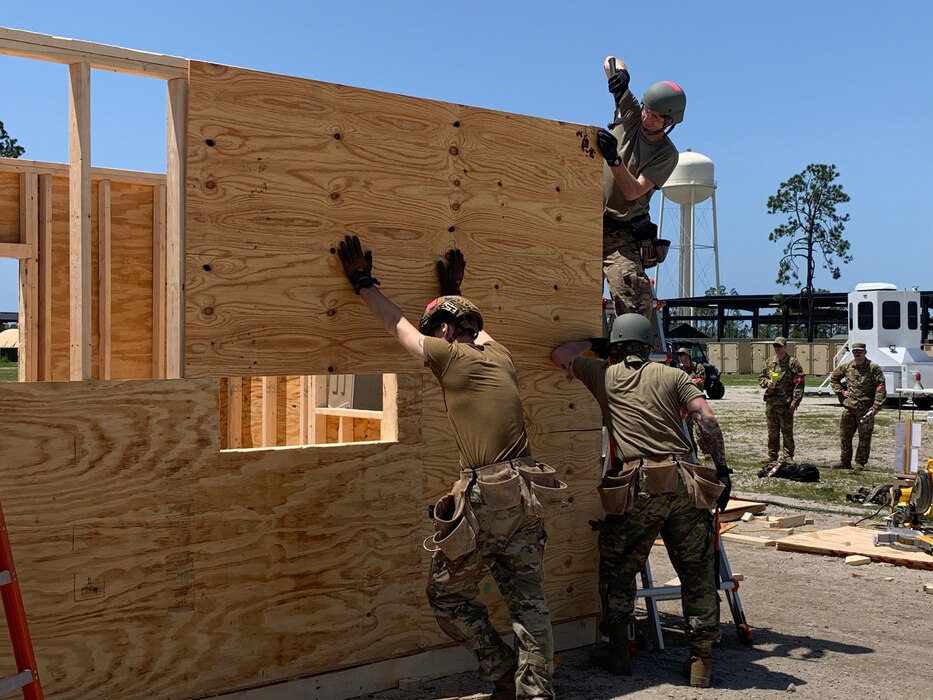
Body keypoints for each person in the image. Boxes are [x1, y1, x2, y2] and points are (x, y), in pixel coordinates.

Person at [335, 235, 556, 700]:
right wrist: (453, 291)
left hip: (488, 497)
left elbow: (399, 327)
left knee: (447, 595)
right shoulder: (501, 354)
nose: (434, 336)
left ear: (446, 330)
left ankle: (499, 674)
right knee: (529, 602)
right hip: (528, 494)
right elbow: (478, 325)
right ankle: (536, 692)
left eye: (437, 327)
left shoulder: (449, 356)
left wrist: (363, 282)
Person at [550, 313, 731, 689]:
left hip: (641, 484)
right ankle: (701, 661)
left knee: (618, 568)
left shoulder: (603, 374)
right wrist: (722, 469)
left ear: (615, 345)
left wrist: (592, 344)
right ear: (651, 346)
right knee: (697, 572)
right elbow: (706, 418)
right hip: (685, 481)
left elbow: (558, 353)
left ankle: (617, 649)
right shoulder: (674, 376)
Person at [595, 56, 685, 320]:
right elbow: (609, 60)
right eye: (647, 110)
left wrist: (613, 159)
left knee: (632, 295)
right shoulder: (633, 116)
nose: (648, 118)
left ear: (670, 122)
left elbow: (634, 191)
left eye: (657, 117)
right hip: (587, 220)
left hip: (619, 233)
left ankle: (632, 355)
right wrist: (622, 75)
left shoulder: (667, 155)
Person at [829, 342, 886, 470]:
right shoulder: (848, 367)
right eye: (855, 352)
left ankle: (860, 462)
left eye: (860, 351)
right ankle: (845, 461)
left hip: (866, 408)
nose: (857, 353)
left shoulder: (873, 368)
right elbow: (834, 378)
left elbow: (880, 386)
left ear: (865, 352)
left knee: (864, 438)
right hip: (850, 408)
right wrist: (842, 392)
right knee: (845, 436)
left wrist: (876, 406)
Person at [757, 337, 804, 466]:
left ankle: (788, 456)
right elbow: (761, 376)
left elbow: (799, 383)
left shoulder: (793, 363)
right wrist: (766, 382)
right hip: (771, 402)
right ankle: (772, 455)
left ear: (785, 347)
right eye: (775, 346)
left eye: (780, 346)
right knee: (772, 430)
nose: (777, 349)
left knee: (787, 430)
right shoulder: (770, 362)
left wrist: (796, 401)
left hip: (786, 403)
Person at [676, 347, 709, 457]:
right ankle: (692, 451)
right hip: (685, 403)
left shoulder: (698, 367)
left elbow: (700, 381)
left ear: (688, 356)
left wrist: (688, 382)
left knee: (700, 427)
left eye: (682, 355)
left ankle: (706, 451)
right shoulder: (679, 370)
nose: (680, 357)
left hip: (696, 401)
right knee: (687, 429)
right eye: (679, 355)